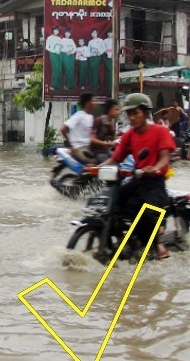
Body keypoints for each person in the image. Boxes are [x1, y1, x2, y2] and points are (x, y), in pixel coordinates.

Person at [98, 93, 175, 259]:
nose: (132, 118)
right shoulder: (129, 135)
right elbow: (115, 158)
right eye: (129, 114)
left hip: (155, 182)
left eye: (136, 113)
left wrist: (153, 168)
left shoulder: (160, 131)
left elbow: (164, 158)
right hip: (137, 180)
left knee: (148, 212)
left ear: (146, 113)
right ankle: (121, 238)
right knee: (113, 204)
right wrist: (95, 168)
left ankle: (157, 243)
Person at [60, 92, 96, 164]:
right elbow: (63, 129)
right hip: (79, 148)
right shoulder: (79, 116)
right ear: (87, 103)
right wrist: (71, 146)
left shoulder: (91, 117)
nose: (95, 103)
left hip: (88, 147)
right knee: (92, 163)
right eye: (93, 101)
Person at [90, 99, 120, 163]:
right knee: (111, 167)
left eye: (118, 110)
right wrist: (106, 143)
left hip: (105, 151)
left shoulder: (110, 124)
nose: (118, 112)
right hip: (97, 152)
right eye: (116, 109)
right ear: (109, 110)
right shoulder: (98, 121)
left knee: (120, 160)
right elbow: (92, 139)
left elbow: (114, 138)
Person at [45, 25, 63, 92]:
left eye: (57, 30)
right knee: (55, 69)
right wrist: (54, 51)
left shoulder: (59, 38)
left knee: (59, 69)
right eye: (55, 30)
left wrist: (61, 48)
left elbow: (61, 47)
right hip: (53, 54)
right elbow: (47, 47)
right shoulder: (49, 38)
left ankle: (58, 86)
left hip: (59, 54)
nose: (56, 31)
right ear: (53, 30)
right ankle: (52, 85)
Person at [103, 30, 114, 95]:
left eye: (111, 33)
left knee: (111, 72)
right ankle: (108, 88)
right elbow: (103, 49)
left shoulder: (115, 40)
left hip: (113, 57)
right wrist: (107, 52)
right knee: (109, 71)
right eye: (109, 33)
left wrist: (113, 54)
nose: (110, 34)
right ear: (107, 34)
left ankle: (110, 88)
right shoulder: (105, 41)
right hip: (107, 57)